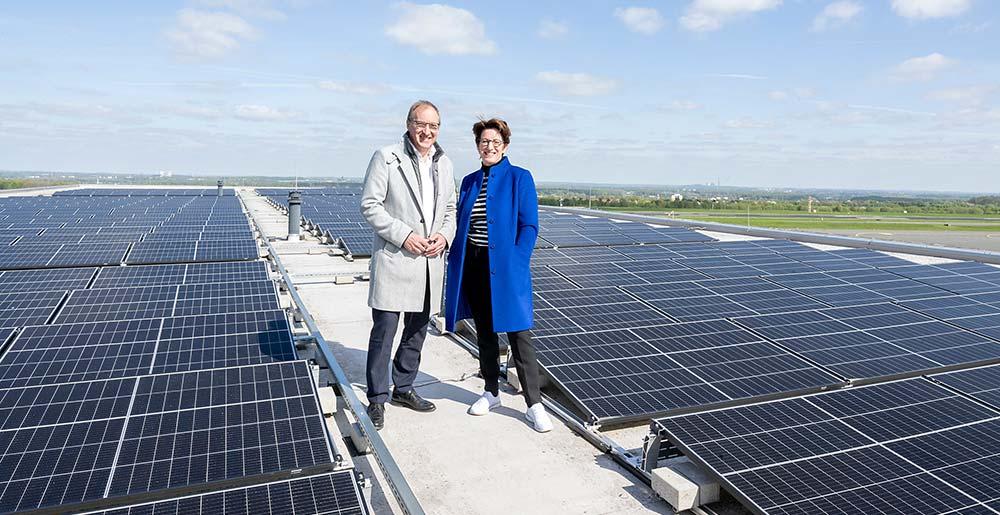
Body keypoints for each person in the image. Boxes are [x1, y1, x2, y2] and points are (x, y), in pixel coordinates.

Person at [444, 117, 553, 433]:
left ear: (505, 145)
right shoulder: (469, 181)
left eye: (494, 142)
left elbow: (529, 226)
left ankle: (534, 405)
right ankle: (491, 391)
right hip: (475, 266)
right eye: (483, 142)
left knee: (520, 337)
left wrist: (517, 261)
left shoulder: (520, 178)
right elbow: (460, 224)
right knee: (485, 333)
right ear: (477, 146)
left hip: (507, 268)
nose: (488, 146)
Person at [360, 100, 456, 430]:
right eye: (421, 124)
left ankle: (404, 387)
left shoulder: (445, 163)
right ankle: (377, 398)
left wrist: (444, 236)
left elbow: (451, 210)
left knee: (417, 331)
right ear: (409, 124)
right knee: (384, 331)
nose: (427, 131)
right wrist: (404, 236)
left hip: (430, 262)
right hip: (397, 258)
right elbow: (370, 206)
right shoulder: (386, 157)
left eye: (434, 126)